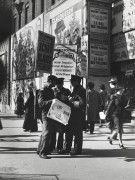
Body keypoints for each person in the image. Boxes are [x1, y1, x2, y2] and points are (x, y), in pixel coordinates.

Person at [61, 75, 86, 155]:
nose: (70, 82)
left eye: (72, 81)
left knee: (77, 133)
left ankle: (77, 150)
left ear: (76, 82)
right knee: (68, 132)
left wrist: (71, 102)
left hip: (78, 115)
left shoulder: (81, 90)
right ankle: (67, 148)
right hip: (71, 114)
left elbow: (82, 104)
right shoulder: (75, 89)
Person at [37, 75, 57, 159]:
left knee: (45, 132)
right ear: (50, 81)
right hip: (45, 114)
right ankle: (43, 152)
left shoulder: (51, 91)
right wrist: (51, 101)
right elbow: (41, 104)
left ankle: (40, 150)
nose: (55, 84)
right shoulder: (42, 90)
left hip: (51, 113)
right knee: (47, 132)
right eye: (54, 82)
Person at [50, 78, 71, 153]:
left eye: (61, 84)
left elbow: (70, 101)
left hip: (63, 113)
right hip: (54, 112)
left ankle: (59, 147)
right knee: (53, 130)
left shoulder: (66, 91)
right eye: (58, 84)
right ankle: (52, 146)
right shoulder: (53, 90)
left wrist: (66, 99)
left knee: (61, 131)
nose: (59, 85)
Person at [105, 78, 125, 149]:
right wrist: (107, 113)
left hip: (121, 114)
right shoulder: (114, 96)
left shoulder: (123, 97)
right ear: (118, 89)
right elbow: (109, 105)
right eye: (122, 89)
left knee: (119, 129)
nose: (123, 90)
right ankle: (120, 143)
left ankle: (111, 137)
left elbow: (124, 105)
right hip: (115, 114)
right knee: (119, 129)